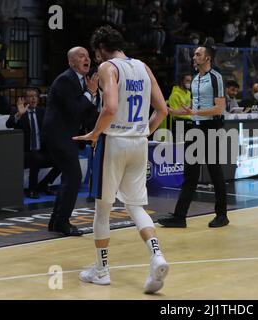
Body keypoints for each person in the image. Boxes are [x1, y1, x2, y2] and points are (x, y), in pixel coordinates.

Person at [73, 25, 169, 293]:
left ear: (102, 49)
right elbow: (162, 109)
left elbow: (111, 107)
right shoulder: (143, 66)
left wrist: (94, 133)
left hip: (114, 142)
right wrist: (141, 133)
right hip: (139, 143)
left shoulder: (108, 67)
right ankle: (157, 256)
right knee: (136, 206)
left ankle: (102, 271)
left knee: (103, 208)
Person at [158, 45, 229, 228]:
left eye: (198, 54)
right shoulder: (196, 79)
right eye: (194, 54)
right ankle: (179, 217)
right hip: (196, 127)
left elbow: (219, 108)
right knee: (190, 174)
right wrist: (171, 111)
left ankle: (222, 215)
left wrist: (195, 111)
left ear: (207, 58)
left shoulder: (216, 77)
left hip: (212, 126)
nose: (194, 56)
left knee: (215, 172)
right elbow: (191, 110)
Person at [42, 47, 99, 237]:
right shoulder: (65, 80)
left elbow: (87, 111)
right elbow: (74, 109)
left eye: (88, 57)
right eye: (82, 56)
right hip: (58, 135)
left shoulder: (83, 81)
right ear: (71, 62)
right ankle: (62, 221)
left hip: (68, 135)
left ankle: (56, 221)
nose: (87, 60)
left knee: (70, 177)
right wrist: (90, 93)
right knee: (73, 177)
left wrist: (97, 129)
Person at [6, 88, 60, 198]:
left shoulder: (43, 112)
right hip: (24, 153)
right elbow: (9, 124)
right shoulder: (18, 111)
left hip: (42, 151)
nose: (33, 98)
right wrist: (19, 115)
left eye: (35, 96)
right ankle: (31, 190)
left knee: (61, 161)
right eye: (30, 96)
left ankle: (43, 186)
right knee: (35, 158)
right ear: (25, 99)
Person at [167, 73, 192, 141]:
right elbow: (174, 112)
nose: (189, 83)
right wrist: (188, 110)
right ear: (182, 81)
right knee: (179, 145)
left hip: (190, 122)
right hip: (179, 122)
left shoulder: (189, 93)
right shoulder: (175, 95)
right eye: (187, 81)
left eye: (190, 81)